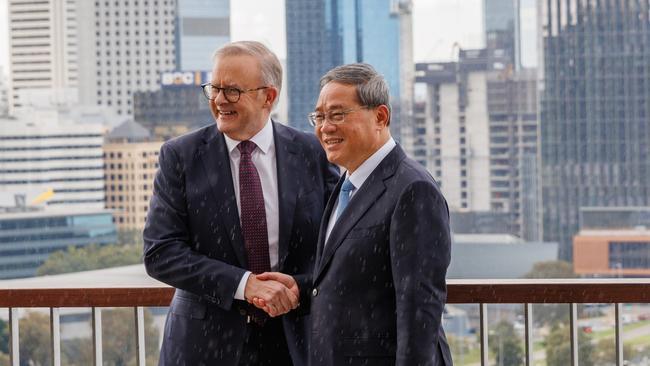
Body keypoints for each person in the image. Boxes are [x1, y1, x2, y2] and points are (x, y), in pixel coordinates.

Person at [143, 41, 339, 366]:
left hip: (295, 343)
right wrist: (244, 285)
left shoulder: (311, 153)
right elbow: (160, 253)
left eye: (232, 91)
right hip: (204, 346)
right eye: (214, 89)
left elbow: (336, 245)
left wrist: (297, 289)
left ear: (269, 97)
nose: (220, 100)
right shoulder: (181, 156)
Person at [308, 63, 453, 366]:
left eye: (337, 115)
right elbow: (346, 278)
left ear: (380, 116)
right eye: (319, 117)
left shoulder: (412, 189)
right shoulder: (346, 184)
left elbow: (420, 307)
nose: (325, 127)